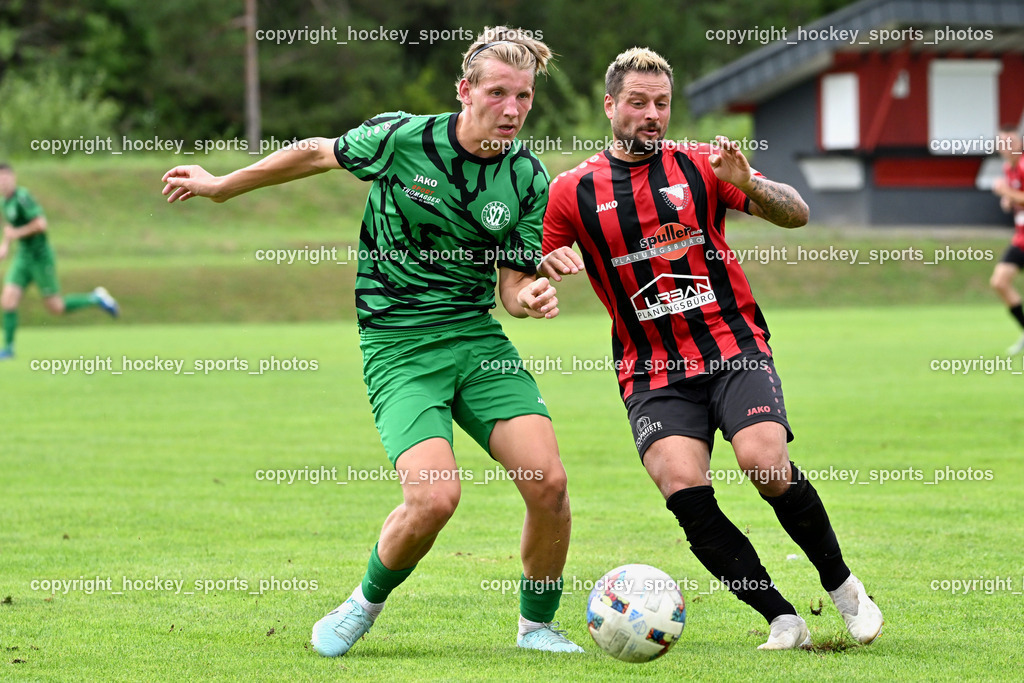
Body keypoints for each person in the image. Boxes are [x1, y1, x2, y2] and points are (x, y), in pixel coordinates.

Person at [161, 26, 584, 656]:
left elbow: (513, 285)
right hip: (400, 344)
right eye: (498, 93)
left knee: (547, 483)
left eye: (523, 97)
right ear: (465, 91)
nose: (513, 109)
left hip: (477, 341)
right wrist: (223, 185)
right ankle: (363, 603)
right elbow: (313, 153)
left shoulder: (527, 176)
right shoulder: (401, 139)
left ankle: (537, 626)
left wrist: (532, 297)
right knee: (436, 497)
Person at [539, 47, 883, 650]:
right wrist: (542, 269)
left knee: (763, 462)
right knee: (681, 484)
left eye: (662, 104)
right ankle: (782, 617)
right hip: (651, 369)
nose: (652, 114)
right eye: (639, 103)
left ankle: (843, 586)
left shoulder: (701, 165)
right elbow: (526, 267)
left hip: (732, 345)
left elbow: (796, 214)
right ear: (610, 105)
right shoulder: (572, 191)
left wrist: (749, 182)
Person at [0, 163, 119, 359]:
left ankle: (96, 298)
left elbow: (40, 224)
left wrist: (16, 233)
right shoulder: (5, 202)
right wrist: (5, 245)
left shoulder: (23, 197)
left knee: (56, 308)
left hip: (40, 257)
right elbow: (10, 226)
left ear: (13, 178)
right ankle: (9, 349)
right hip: (23, 256)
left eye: (5, 178)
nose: (3, 182)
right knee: (8, 300)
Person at [988, 125, 1024, 353]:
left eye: (1010, 142)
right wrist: (1009, 200)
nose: (1006, 147)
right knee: (999, 282)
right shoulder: (1008, 169)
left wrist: (1006, 193)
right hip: (1021, 238)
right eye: (1002, 143)